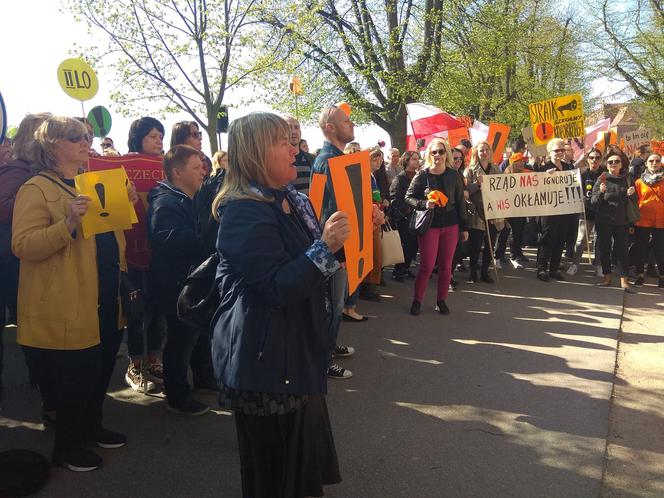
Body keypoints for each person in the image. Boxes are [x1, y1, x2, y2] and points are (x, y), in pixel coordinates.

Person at [211, 112, 346, 498]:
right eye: (283, 142)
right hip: (265, 364)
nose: (293, 149)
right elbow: (277, 287)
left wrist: (345, 237)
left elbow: (315, 267)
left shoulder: (290, 200)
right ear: (256, 153)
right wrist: (326, 246)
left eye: (292, 140)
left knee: (298, 470)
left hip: (293, 354)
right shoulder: (243, 211)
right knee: (273, 475)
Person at [12, 116, 133, 471]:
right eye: (75, 137)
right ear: (51, 146)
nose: (85, 141)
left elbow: (111, 234)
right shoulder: (37, 188)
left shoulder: (91, 182)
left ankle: (91, 428)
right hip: (69, 300)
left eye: (88, 136)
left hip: (106, 294)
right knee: (72, 380)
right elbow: (22, 245)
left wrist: (122, 204)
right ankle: (66, 446)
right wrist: (67, 226)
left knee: (98, 372)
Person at [147, 145, 213, 415]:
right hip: (176, 283)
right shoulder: (166, 202)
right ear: (177, 172)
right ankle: (177, 396)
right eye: (196, 168)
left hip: (190, 279)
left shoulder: (189, 197)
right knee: (181, 339)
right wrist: (207, 236)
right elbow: (167, 240)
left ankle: (204, 379)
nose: (203, 172)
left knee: (196, 335)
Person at [0, 113, 52, 401]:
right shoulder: (17, 172)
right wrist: (34, 195)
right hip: (12, 262)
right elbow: (5, 209)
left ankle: (42, 377)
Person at [310, 105, 359, 380]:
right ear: (330, 127)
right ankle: (324, 358)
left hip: (339, 246)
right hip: (334, 248)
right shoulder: (327, 160)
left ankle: (330, 345)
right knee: (332, 303)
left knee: (336, 303)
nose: (351, 123)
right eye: (345, 120)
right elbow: (327, 210)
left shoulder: (337, 158)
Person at [124, 116, 166, 391]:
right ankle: (135, 365)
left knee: (158, 309)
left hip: (159, 251)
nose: (158, 140)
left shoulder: (167, 166)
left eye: (160, 135)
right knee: (138, 313)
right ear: (138, 138)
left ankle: (153, 359)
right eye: (152, 135)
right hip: (132, 251)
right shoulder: (122, 166)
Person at [406, 138, 468, 315]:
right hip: (430, 226)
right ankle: (417, 300)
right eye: (434, 152)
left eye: (441, 151)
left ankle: (441, 301)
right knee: (426, 265)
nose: (438, 155)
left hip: (451, 225)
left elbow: (460, 202)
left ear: (446, 154)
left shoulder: (453, 174)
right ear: (429, 154)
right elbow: (408, 197)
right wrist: (424, 204)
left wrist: (464, 228)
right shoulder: (422, 174)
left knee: (447, 267)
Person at [591, 150, 636, 292]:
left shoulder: (627, 178)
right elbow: (593, 202)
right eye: (610, 162)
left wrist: (632, 195)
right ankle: (607, 278)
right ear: (607, 164)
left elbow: (635, 202)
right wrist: (601, 193)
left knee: (622, 250)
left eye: (617, 161)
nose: (613, 164)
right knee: (605, 249)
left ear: (622, 164)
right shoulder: (602, 178)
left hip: (622, 222)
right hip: (604, 221)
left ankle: (624, 281)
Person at [533, 138, 575, 282]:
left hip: (564, 208)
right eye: (556, 150)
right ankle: (541, 268)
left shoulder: (568, 166)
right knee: (548, 238)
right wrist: (545, 177)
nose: (560, 152)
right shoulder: (544, 167)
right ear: (550, 151)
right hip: (548, 210)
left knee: (560, 239)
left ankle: (554, 268)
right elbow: (535, 187)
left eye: (562, 150)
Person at [464, 142, 502, 283]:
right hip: (476, 212)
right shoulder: (470, 170)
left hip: (492, 211)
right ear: (476, 153)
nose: (484, 153)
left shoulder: (496, 169)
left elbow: (501, 189)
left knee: (490, 244)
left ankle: (485, 271)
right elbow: (466, 190)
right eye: (481, 150)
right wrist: (478, 184)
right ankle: (473, 271)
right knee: (476, 244)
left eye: (486, 150)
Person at [633, 153, 664, 287]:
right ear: (646, 163)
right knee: (641, 248)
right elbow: (635, 202)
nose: (654, 163)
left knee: (660, 249)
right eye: (651, 161)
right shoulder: (639, 182)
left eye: (657, 160)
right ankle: (640, 275)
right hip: (642, 220)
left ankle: (662, 276)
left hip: (661, 221)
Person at [389, 151, 420, 281]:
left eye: (418, 159)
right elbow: (394, 198)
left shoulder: (419, 176)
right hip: (404, 217)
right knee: (404, 244)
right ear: (407, 161)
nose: (417, 161)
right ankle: (398, 270)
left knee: (414, 244)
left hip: (417, 216)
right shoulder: (400, 178)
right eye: (414, 159)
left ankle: (406, 267)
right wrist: (406, 209)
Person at [572, 148, 603, 276]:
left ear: (601, 160)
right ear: (587, 159)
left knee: (600, 241)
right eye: (591, 158)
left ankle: (599, 266)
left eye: (597, 158)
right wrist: (580, 197)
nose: (594, 160)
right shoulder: (582, 174)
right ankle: (575, 264)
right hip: (586, 212)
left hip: (602, 213)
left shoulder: (605, 174)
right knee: (580, 240)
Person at [499, 152, 532, 269]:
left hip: (521, 209)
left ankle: (515, 255)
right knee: (504, 233)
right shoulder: (506, 175)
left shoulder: (528, 173)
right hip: (508, 208)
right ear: (513, 162)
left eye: (523, 161)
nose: (522, 163)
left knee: (518, 232)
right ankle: (499, 255)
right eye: (519, 161)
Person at [285, 116, 314, 194]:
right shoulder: (278, 161)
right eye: (289, 127)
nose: (293, 131)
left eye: (296, 127)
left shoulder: (311, 158)